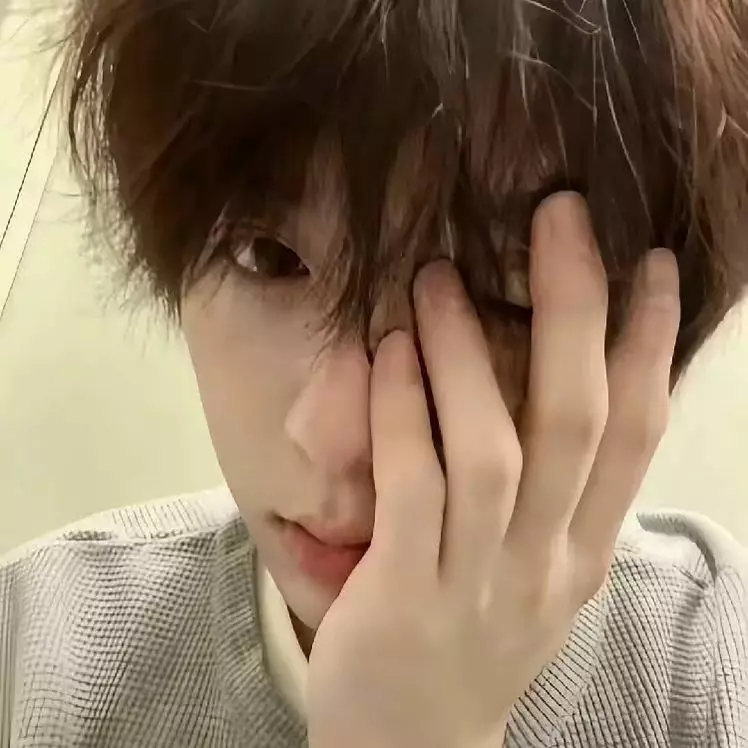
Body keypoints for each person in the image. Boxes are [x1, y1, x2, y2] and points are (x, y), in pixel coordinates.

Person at [2, 0, 747, 745]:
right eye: (267, 257)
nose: (333, 437)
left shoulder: (713, 670)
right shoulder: (34, 647)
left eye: (501, 293)